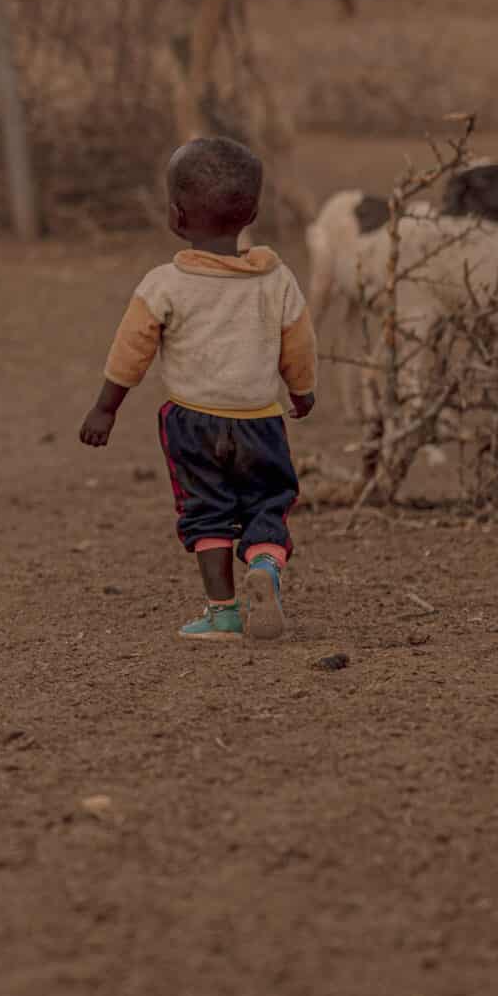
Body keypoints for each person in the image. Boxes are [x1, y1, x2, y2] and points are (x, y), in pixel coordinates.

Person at [79, 136, 315, 643]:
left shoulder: (165, 284)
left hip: (193, 423)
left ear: (176, 216)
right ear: (251, 211)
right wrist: (302, 391)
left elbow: (131, 349)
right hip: (261, 421)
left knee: (205, 510)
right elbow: (298, 341)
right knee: (268, 502)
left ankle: (223, 611)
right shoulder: (277, 279)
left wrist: (105, 408)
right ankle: (266, 567)